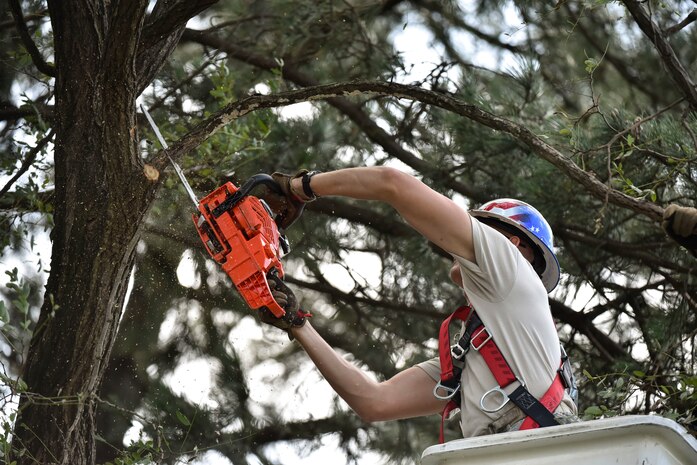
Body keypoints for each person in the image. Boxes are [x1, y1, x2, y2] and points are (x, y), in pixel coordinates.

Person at [259, 166, 580, 438]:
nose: (461, 241)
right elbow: (375, 402)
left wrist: (300, 187)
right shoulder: (479, 350)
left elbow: (393, 184)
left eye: (481, 229)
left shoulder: (513, 269)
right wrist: (297, 323)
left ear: (513, 244)